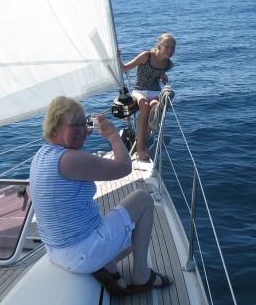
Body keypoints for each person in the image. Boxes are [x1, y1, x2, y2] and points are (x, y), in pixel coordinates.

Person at [29, 96, 172, 294]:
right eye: (75, 126)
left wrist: (78, 133)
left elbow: (71, 160)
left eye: (84, 124)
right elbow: (124, 167)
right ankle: (141, 275)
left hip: (57, 252)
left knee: (130, 232)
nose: (82, 130)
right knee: (143, 200)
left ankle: (107, 267)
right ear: (55, 129)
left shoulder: (42, 155)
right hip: (81, 253)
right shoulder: (70, 160)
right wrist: (112, 135)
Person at [120, 33, 176, 161]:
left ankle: (140, 142)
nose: (170, 50)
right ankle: (140, 148)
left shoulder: (169, 64)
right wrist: (117, 57)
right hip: (139, 90)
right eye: (167, 46)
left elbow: (159, 73)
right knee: (145, 107)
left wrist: (162, 75)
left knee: (155, 107)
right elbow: (124, 68)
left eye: (173, 47)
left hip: (155, 91)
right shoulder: (146, 56)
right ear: (159, 46)